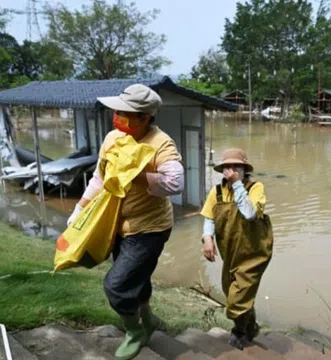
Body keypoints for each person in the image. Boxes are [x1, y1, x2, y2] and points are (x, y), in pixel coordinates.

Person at [67, 84, 184, 360]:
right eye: (117, 111)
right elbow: (100, 177)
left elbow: (175, 182)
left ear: (145, 117)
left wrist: (138, 174)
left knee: (117, 285)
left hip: (150, 227)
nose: (117, 117)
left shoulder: (161, 144)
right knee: (136, 278)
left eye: (125, 113)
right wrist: (79, 209)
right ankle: (149, 319)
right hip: (117, 223)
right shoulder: (113, 138)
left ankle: (134, 331)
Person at [200, 148, 274, 350]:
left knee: (236, 300)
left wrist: (237, 185)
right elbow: (209, 218)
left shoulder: (255, 188)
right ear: (222, 170)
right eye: (228, 167)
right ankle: (252, 326)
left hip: (254, 253)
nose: (231, 170)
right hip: (230, 254)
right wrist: (207, 238)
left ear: (244, 169)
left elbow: (249, 213)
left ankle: (239, 332)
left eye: (236, 167)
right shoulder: (216, 192)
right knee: (231, 290)